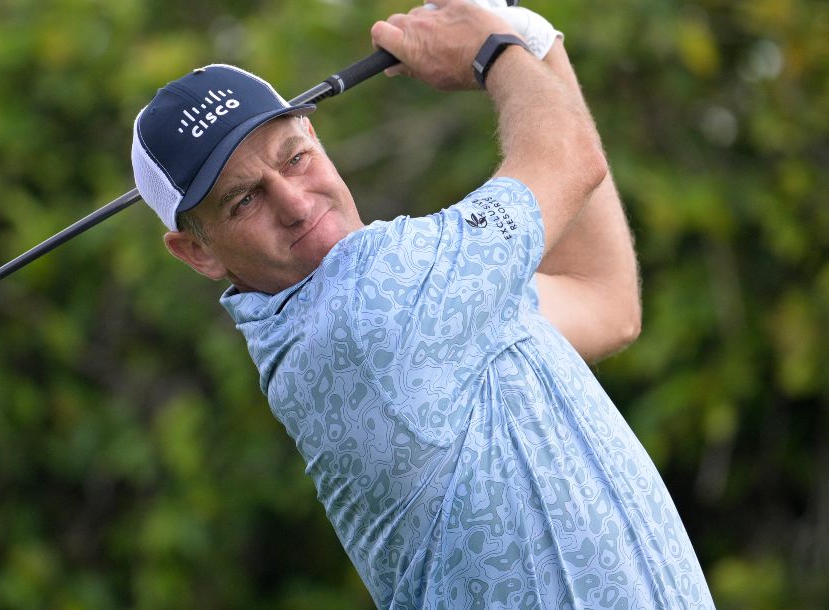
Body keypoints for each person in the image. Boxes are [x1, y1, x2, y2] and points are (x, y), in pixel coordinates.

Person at [131, 0, 715, 607]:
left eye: (295, 159)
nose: (296, 205)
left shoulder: (436, 305)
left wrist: (535, 46)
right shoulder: (369, 303)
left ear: (316, 139)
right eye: (244, 200)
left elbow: (604, 303)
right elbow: (568, 156)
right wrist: (494, 50)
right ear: (196, 252)